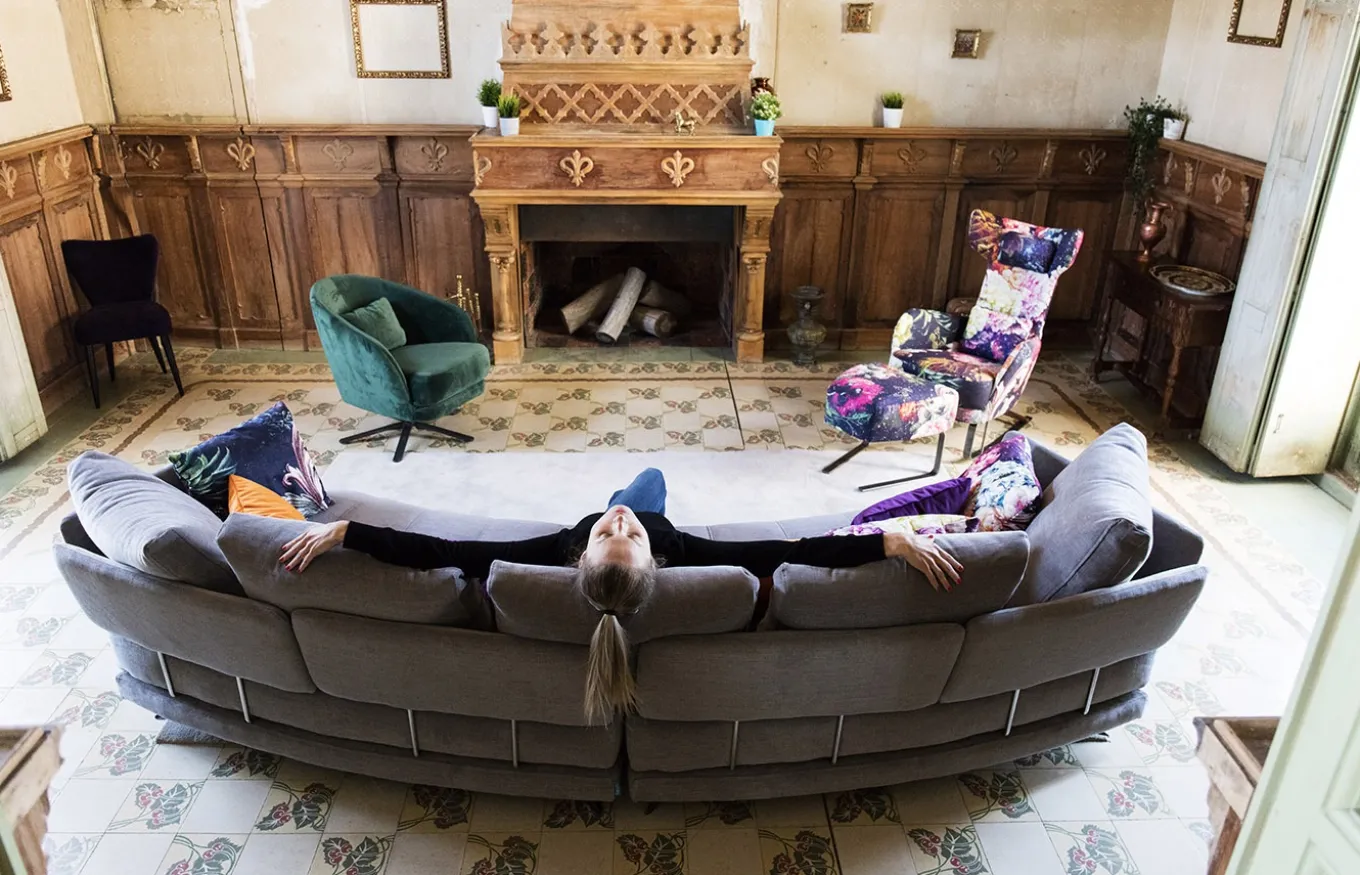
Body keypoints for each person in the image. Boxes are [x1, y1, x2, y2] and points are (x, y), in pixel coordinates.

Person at [279, 468, 962, 724]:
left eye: (613, 531)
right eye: (624, 533)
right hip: (662, 524)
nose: (619, 523)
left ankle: (622, 486)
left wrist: (348, 529)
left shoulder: (553, 548)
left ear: (577, 556)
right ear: (656, 558)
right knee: (650, 483)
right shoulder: (680, 547)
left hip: (581, 541)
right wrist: (889, 542)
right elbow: (789, 552)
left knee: (627, 487)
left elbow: (444, 552)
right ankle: (643, 483)